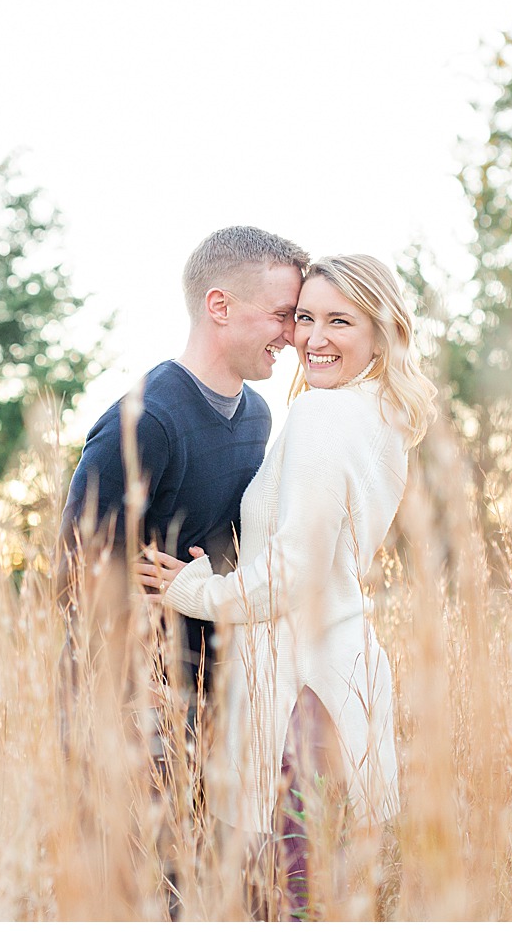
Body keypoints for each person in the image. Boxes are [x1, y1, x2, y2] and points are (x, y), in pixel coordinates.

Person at [136, 254, 435, 919]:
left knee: (288, 894)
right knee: (321, 887)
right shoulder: (382, 414)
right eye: (305, 317)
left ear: (382, 329)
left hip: (302, 689)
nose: (314, 337)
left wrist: (195, 590)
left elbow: (293, 574)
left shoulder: (322, 417)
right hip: (343, 669)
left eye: (339, 320)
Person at [56, 224, 309, 766]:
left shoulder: (258, 415)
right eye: (281, 313)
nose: (293, 334)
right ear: (219, 305)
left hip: (218, 697)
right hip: (134, 715)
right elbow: (76, 573)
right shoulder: (146, 420)